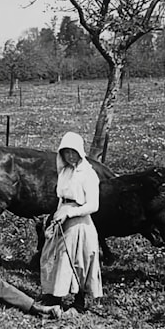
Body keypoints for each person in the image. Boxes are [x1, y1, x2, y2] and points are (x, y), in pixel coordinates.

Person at [40, 132, 103, 315]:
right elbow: (62, 197)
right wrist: (56, 216)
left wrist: (70, 213)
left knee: (77, 260)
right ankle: (55, 296)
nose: (70, 156)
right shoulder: (65, 171)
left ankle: (79, 302)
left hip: (79, 221)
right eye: (66, 152)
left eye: (73, 152)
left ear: (80, 152)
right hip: (63, 217)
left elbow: (93, 205)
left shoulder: (88, 174)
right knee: (55, 256)